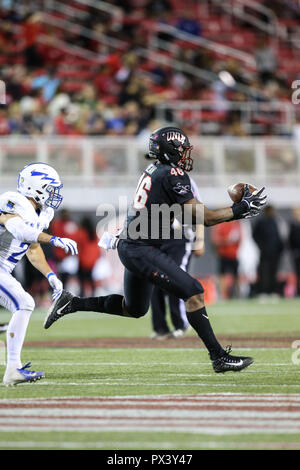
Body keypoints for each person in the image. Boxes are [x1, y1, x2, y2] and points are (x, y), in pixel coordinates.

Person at [44, 126, 267, 374]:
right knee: (193, 292)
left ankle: (71, 303)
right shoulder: (172, 173)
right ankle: (219, 357)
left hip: (134, 245)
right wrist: (238, 210)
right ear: (170, 150)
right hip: (141, 247)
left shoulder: (154, 170)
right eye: (181, 150)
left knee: (134, 309)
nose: (185, 155)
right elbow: (205, 217)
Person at [0, 162, 78, 386]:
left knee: (23, 303)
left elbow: (32, 249)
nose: (54, 194)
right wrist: (54, 239)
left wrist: (51, 276)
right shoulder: (13, 200)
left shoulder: (44, 212)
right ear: (37, 187)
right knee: (24, 303)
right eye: (51, 188)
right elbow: (19, 230)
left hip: (3, 269)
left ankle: (13, 368)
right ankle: (13, 369)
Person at [150, 177, 204, 339]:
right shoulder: (153, 177)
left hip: (180, 237)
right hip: (157, 236)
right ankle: (160, 327)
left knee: (176, 278)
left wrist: (200, 239)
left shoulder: (183, 179)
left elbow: (199, 210)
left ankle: (181, 323)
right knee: (154, 280)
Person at [252, 205, 284, 296]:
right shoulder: (261, 222)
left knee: (274, 272)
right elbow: (255, 235)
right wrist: (261, 246)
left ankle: (273, 291)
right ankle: (263, 291)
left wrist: (280, 248)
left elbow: (279, 237)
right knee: (264, 272)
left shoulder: (275, 221)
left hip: (275, 253)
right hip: (265, 252)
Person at [211, 220, 242, 299]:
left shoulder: (236, 224)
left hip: (234, 255)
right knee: (222, 276)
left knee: (236, 276)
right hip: (223, 254)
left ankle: (237, 295)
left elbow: (240, 238)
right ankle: (223, 296)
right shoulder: (221, 225)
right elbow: (216, 240)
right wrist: (226, 240)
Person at [77, 217, 101, 297]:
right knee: (90, 279)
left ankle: (82, 295)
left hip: (83, 260)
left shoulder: (82, 233)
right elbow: (97, 248)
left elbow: (78, 245)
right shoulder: (94, 234)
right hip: (92, 260)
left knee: (82, 280)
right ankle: (93, 295)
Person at [288, 207, 300, 296]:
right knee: (297, 272)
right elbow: (290, 239)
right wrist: (293, 250)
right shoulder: (293, 225)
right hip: (296, 252)